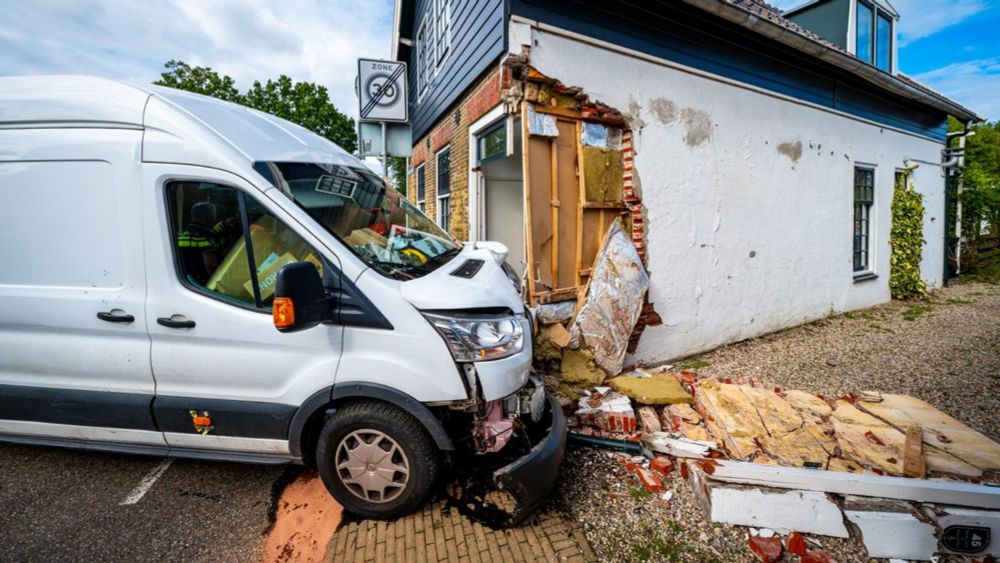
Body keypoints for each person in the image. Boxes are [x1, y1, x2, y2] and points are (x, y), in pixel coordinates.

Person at [176, 202, 238, 284]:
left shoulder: (183, 233)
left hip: (186, 280)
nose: (215, 218)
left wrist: (224, 224)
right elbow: (211, 266)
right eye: (214, 215)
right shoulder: (205, 237)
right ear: (207, 217)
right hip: (202, 283)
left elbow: (212, 232)